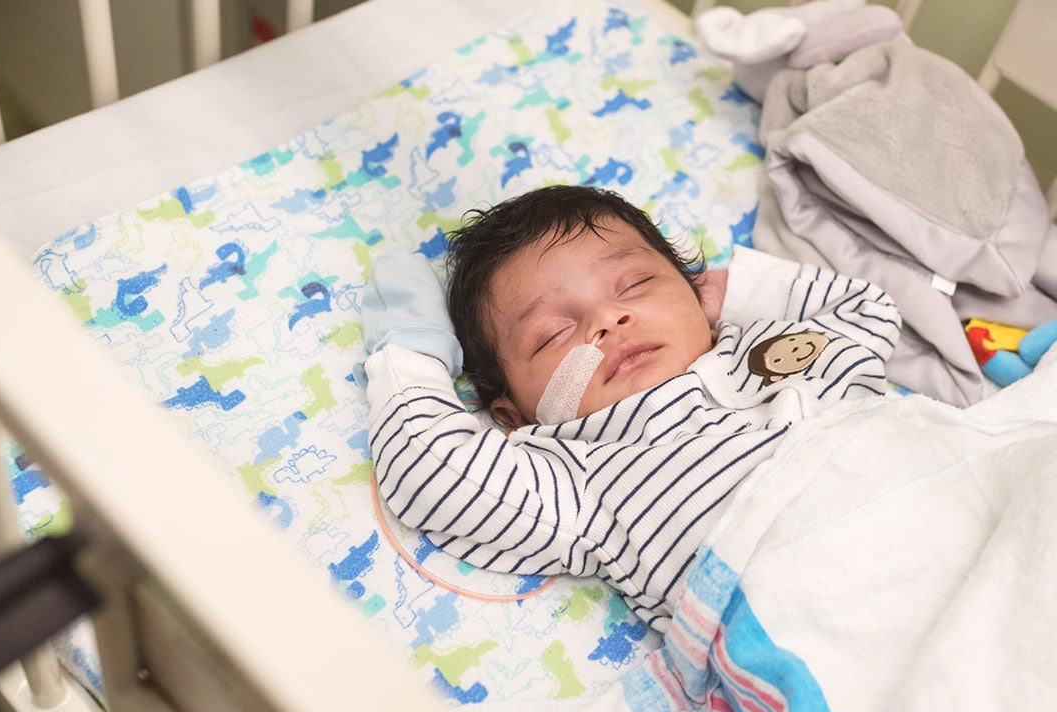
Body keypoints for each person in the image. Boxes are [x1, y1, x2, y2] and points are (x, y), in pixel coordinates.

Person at [359, 185, 900, 631]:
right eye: (552, 334)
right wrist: (413, 352)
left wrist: (714, 293)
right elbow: (430, 471)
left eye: (637, 284)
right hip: (815, 616)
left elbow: (866, 308)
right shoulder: (580, 474)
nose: (608, 319)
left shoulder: (769, 349)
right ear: (514, 415)